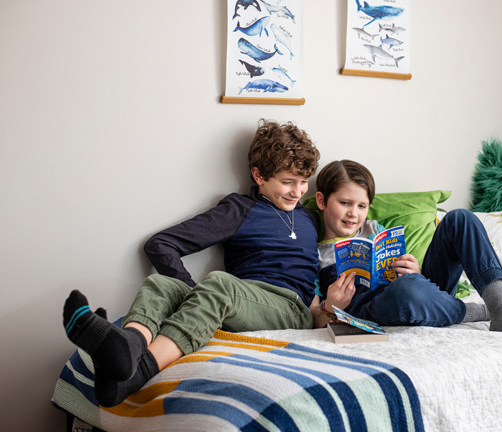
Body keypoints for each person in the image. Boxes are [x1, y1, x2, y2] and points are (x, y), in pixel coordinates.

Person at [62, 119, 322, 407]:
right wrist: (191, 294)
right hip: (243, 300)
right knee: (160, 283)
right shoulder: (239, 210)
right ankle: (129, 345)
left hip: (291, 308)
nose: (298, 192)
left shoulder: (310, 218)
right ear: (258, 175)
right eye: (287, 182)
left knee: (220, 283)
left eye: (303, 182)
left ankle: (135, 374)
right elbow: (160, 245)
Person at [309, 160, 502, 336]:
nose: (354, 213)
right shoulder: (313, 252)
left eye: (362, 206)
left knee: (460, 219)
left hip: (419, 291)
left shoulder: (374, 229)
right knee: (407, 290)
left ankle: (501, 307)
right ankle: (485, 311)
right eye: (344, 203)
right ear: (321, 200)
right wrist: (332, 305)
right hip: (377, 308)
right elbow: (316, 319)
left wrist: (417, 271)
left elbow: (416, 278)